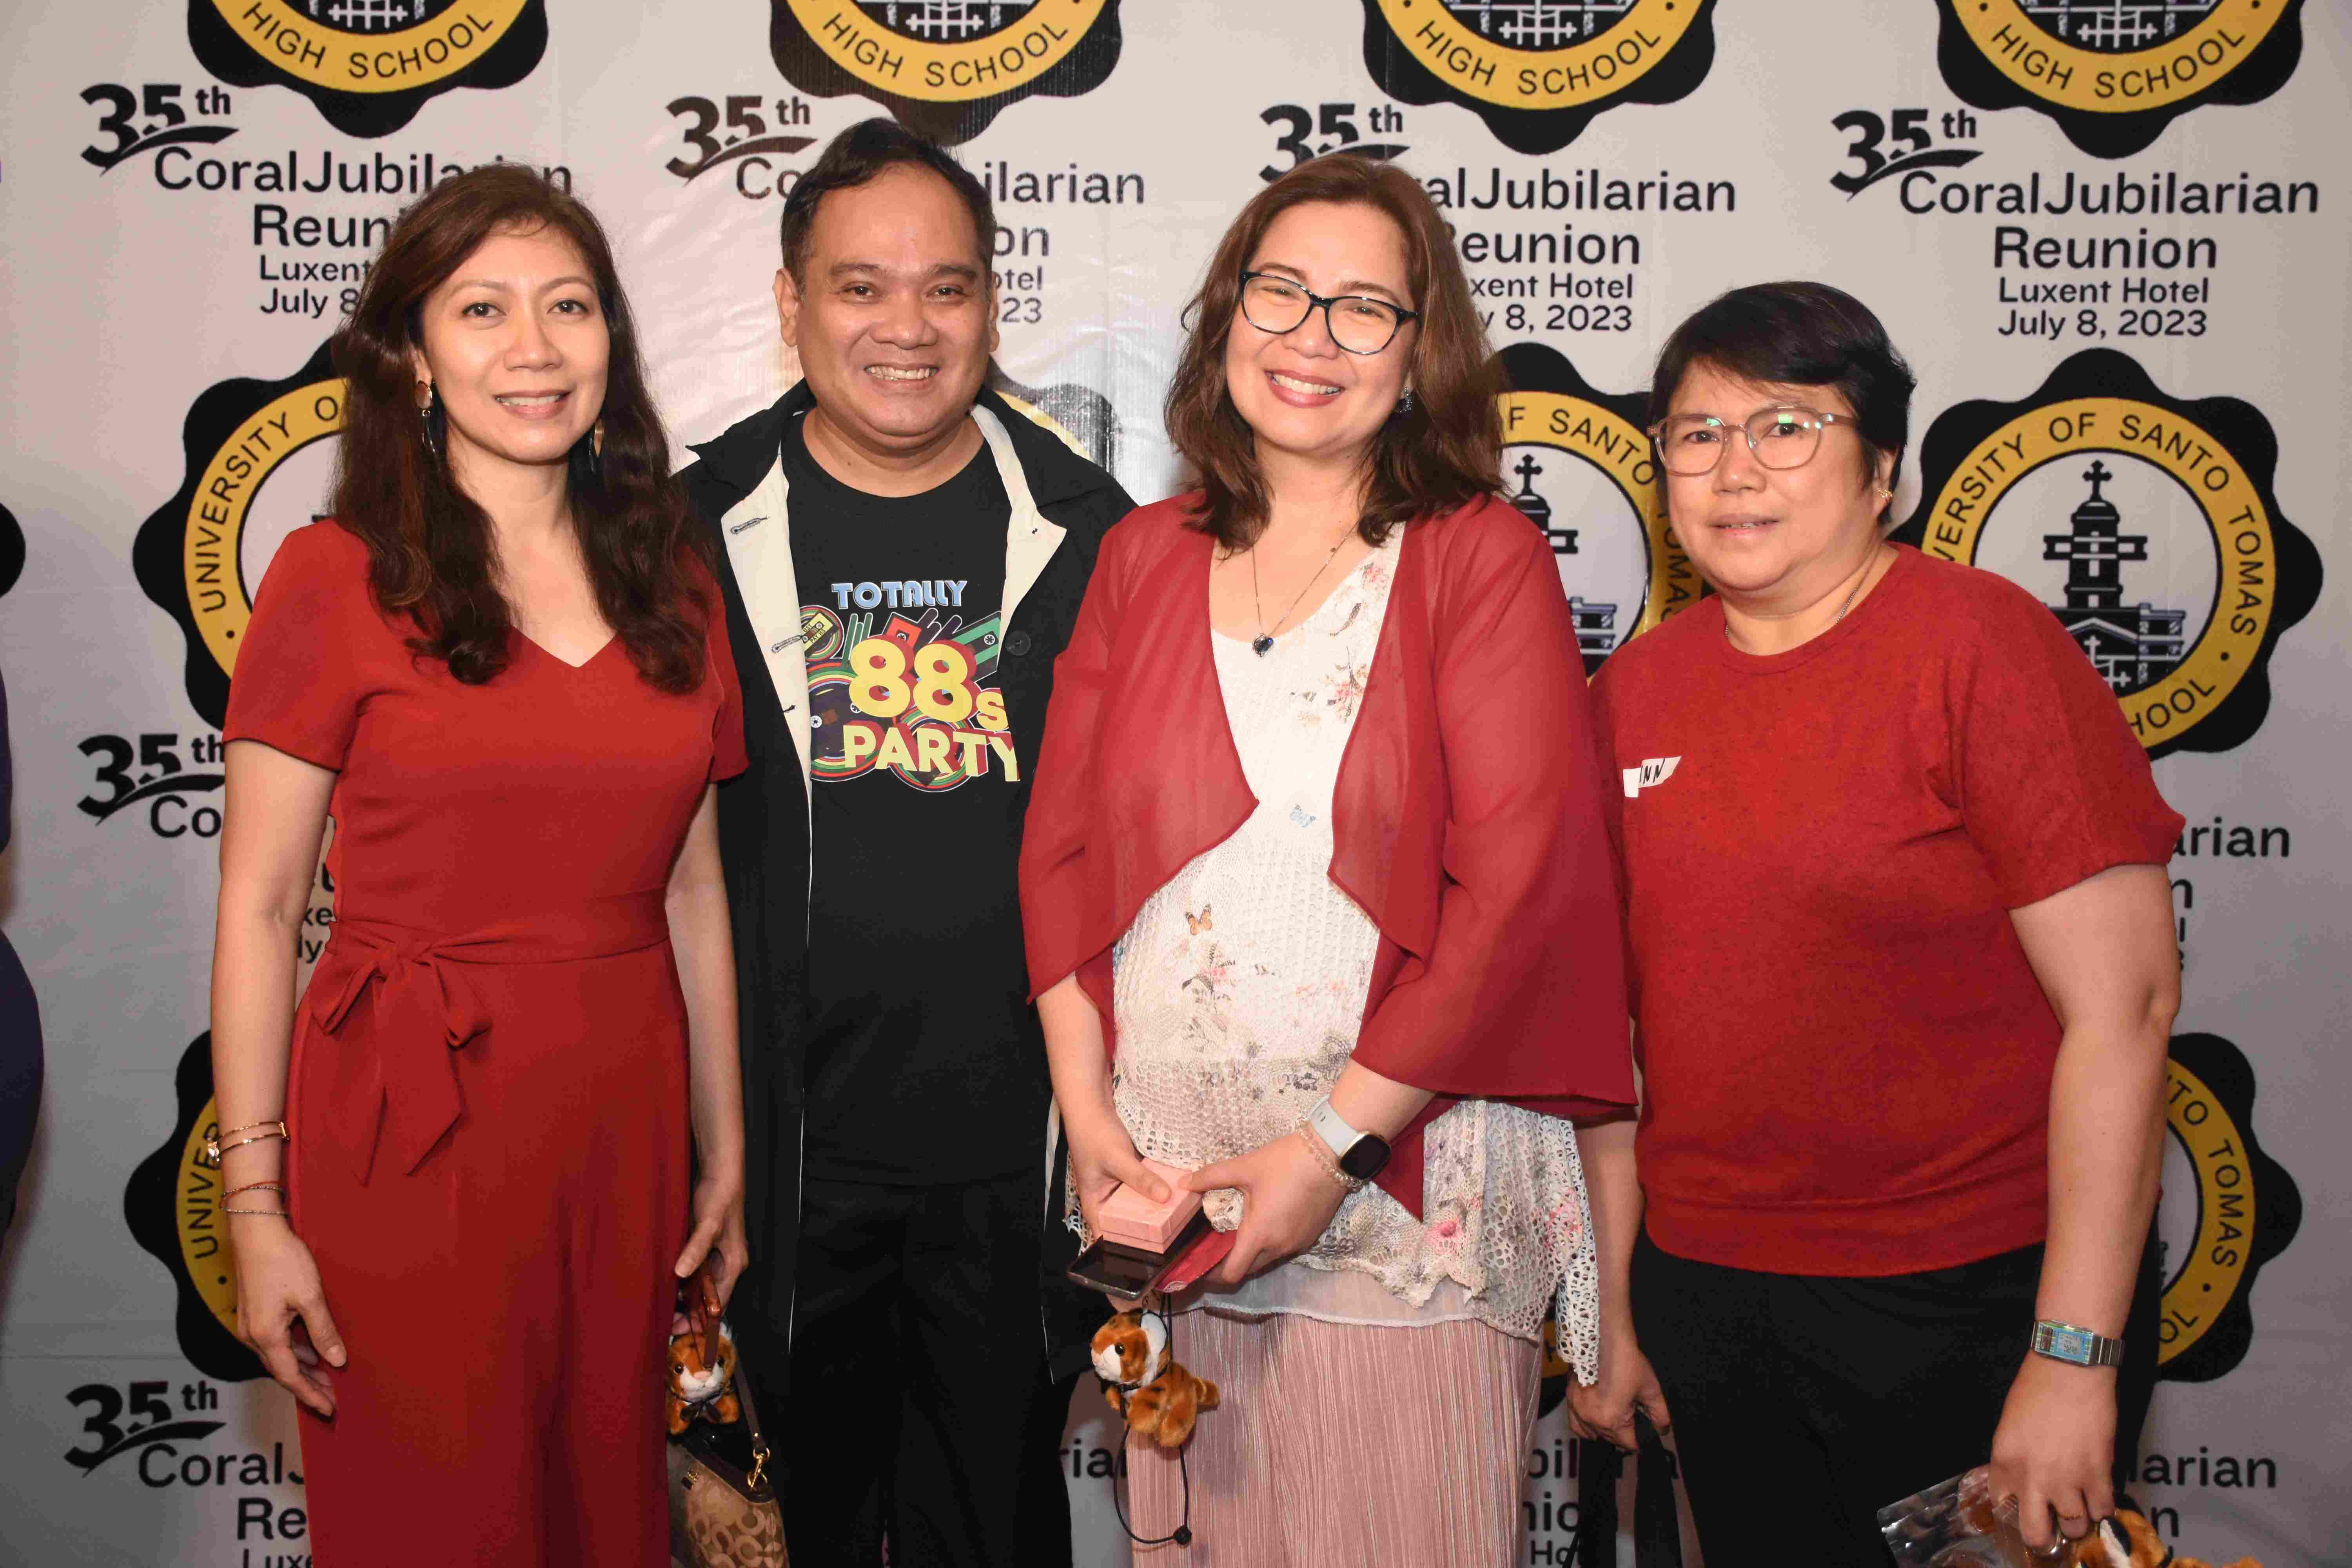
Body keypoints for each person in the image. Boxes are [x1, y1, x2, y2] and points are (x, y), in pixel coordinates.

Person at [1019, 154, 1633, 1563]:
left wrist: (1328, 1151)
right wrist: (1092, 1126)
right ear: (1228, 314)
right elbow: (1060, 856)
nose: (1312, 337)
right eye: (1281, 292)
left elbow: (1517, 891)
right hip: (1169, 1205)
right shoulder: (1142, 555)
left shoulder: (1479, 556)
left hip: (1397, 1203)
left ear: (1422, 356)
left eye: (1365, 308)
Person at [1570, 281, 2182, 1563]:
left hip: (1968, 1305)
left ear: (1885, 471)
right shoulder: (1633, 692)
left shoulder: (1981, 649)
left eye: (1786, 427)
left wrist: (2072, 1358)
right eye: (1697, 433)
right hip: (1713, 1301)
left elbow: (2125, 1012)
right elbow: (1607, 1057)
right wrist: (1613, 1312)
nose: (1735, 469)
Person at [210, 165, 749, 1566]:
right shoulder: (332, 577)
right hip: (412, 1128)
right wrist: (254, 1209)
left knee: (604, 1516)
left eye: (569, 307)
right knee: (436, 1518)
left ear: (612, 338)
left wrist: (727, 1144)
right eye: (483, 309)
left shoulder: (676, 580)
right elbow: (261, 909)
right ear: (412, 355)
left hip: (623, 1123)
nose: (535, 347)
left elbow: (693, 888)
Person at [680, 119, 1135, 1566]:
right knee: (778, 1532)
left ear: (992, 305)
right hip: (775, 1166)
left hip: (1017, 1161)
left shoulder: (1093, 532)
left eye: (946, 288)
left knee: (993, 1534)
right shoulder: (689, 532)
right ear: (790, 302)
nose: (907, 327)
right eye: (861, 287)